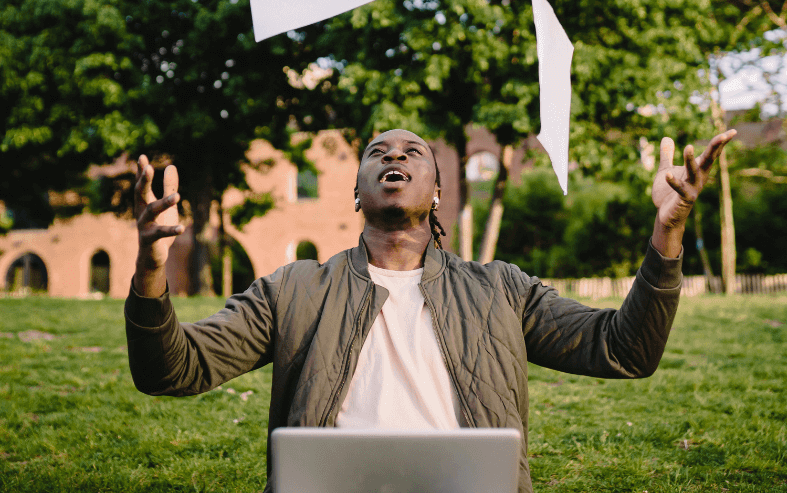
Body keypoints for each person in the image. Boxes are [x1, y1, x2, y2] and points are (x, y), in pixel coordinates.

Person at [125, 127, 735, 493]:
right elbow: (171, 371)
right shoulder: (293, 288)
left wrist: (668, 231)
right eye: (378, 151)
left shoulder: (501, 288)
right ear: (357, 190)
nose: (395, 155)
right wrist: (152, 268)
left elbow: (624, 350)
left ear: (438, 191)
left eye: (413, 151)